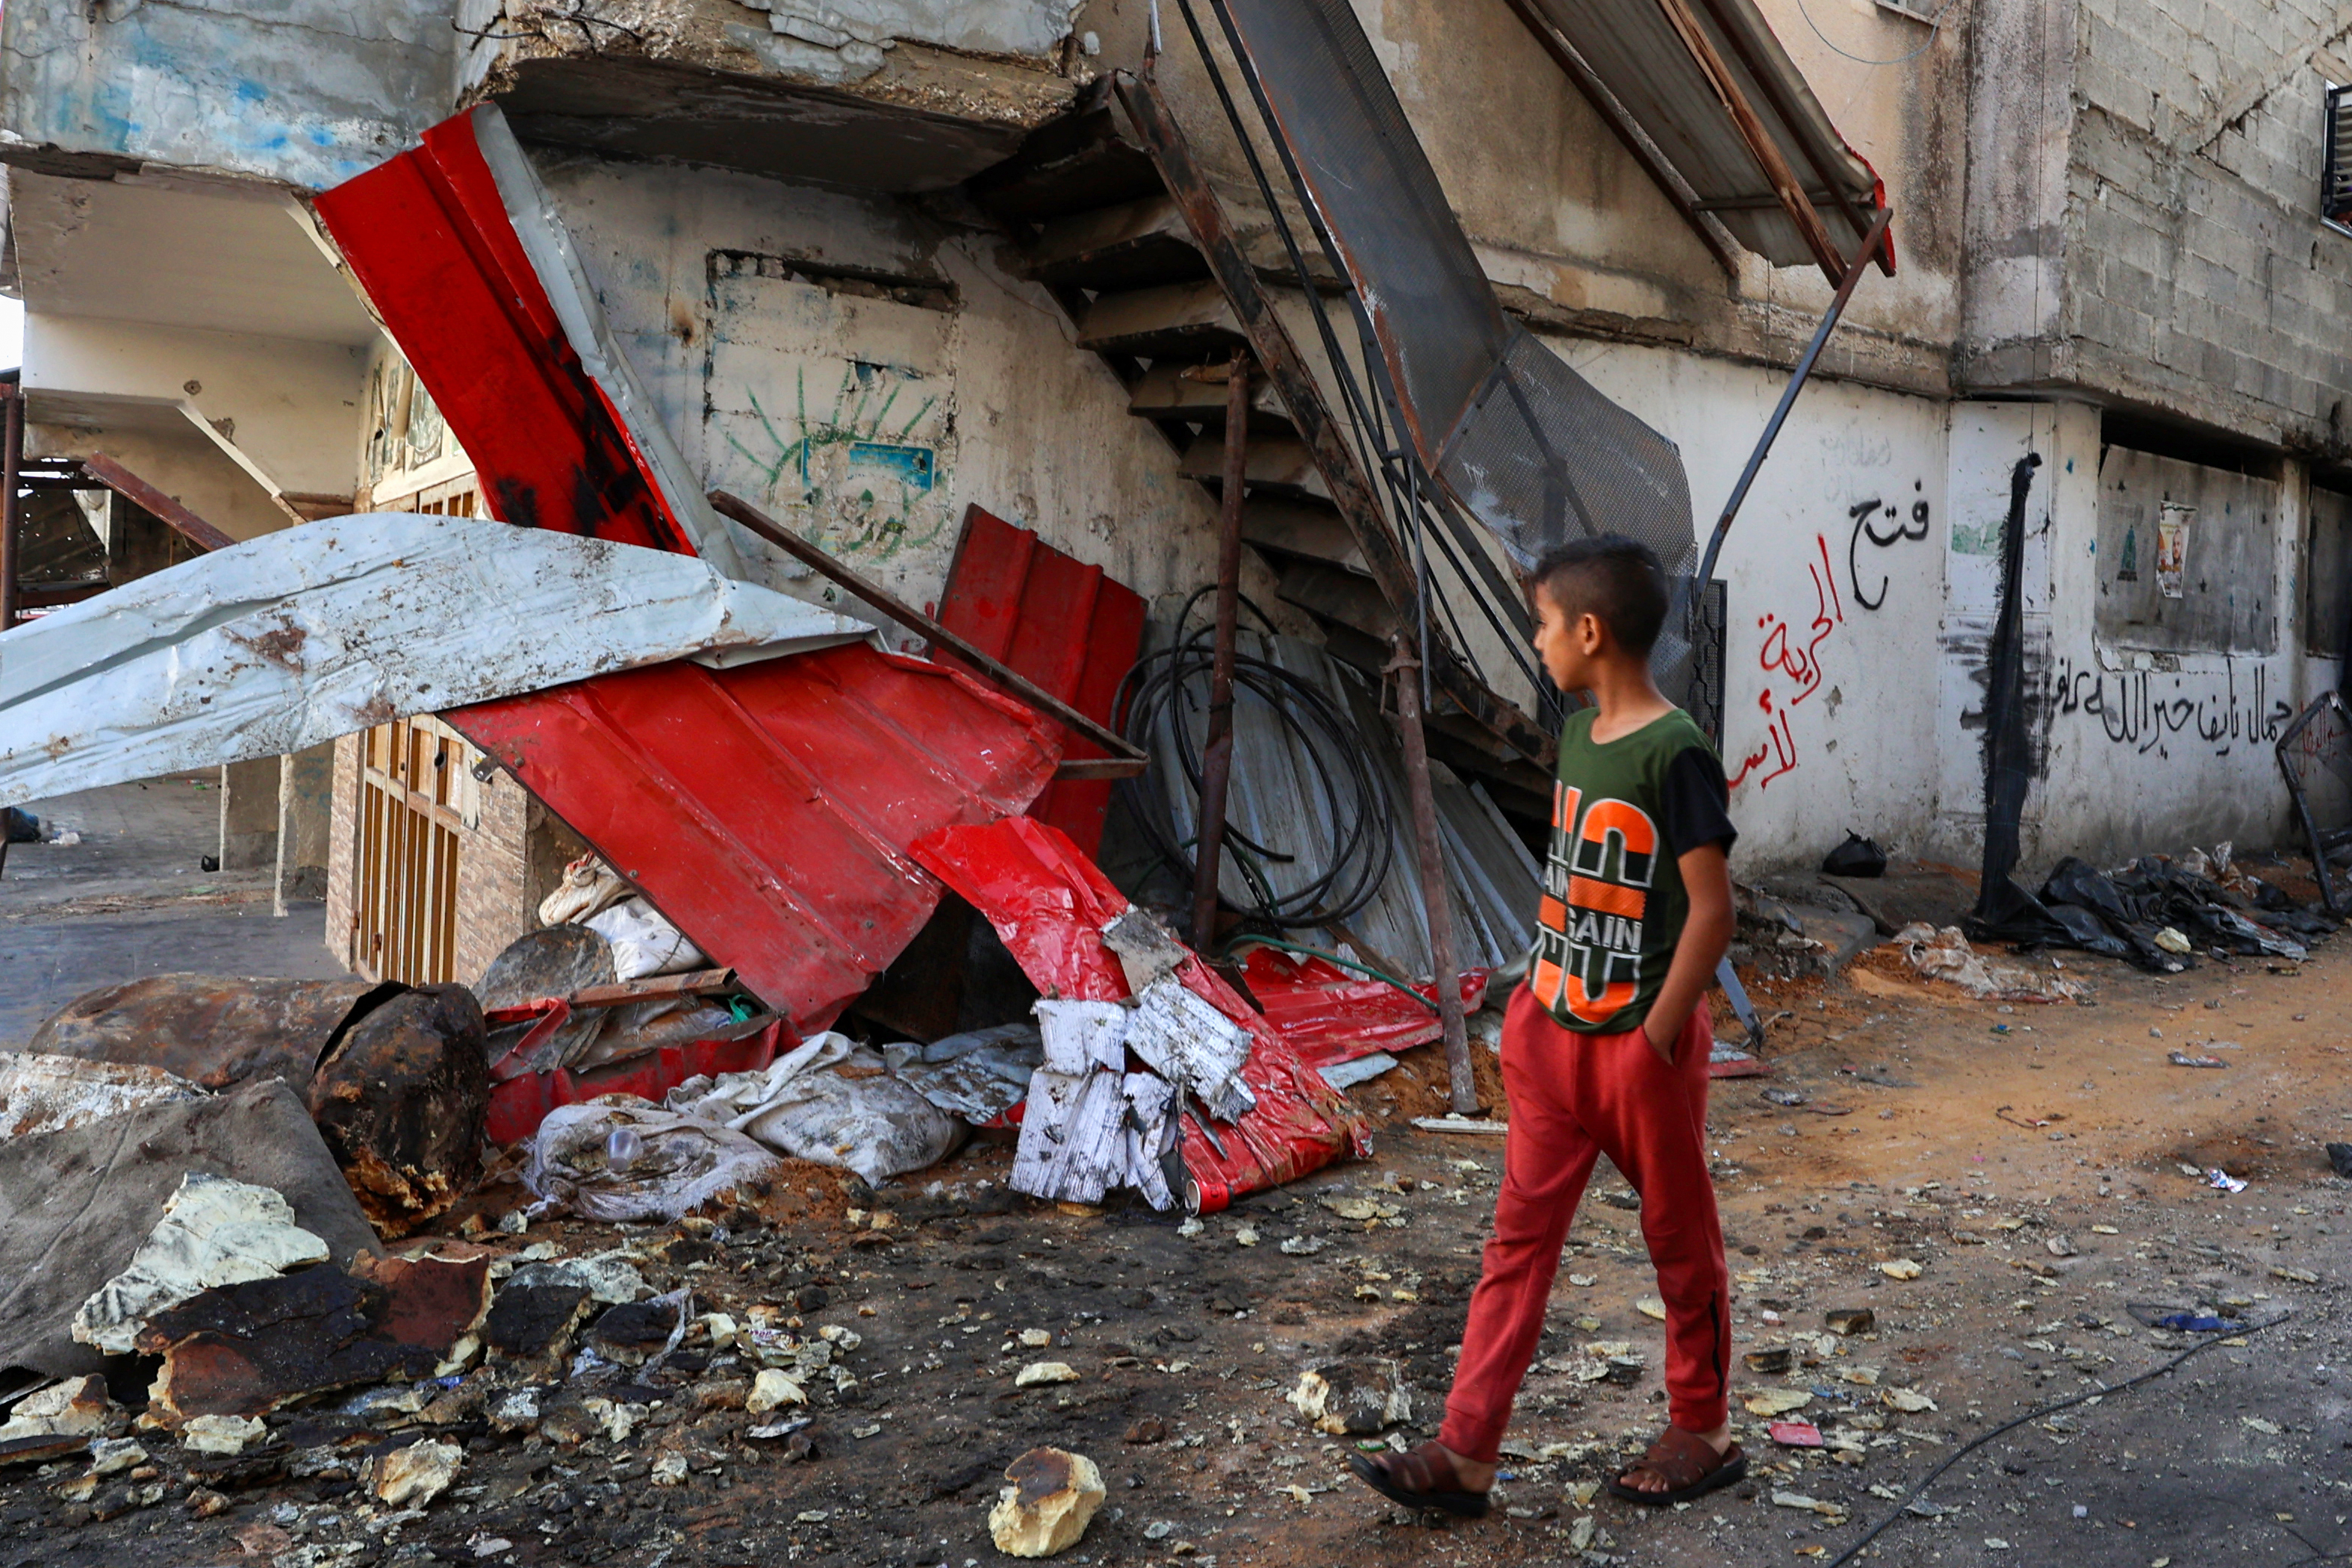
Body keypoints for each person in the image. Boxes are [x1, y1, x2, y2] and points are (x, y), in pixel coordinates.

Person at [1351, 535, 1742, 1517]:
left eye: (1540, 625)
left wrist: (1654, 1038)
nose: (1535, 644)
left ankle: (1702, 1427)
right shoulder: (1576, 734)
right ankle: (1465, 1455)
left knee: (1677, 1239)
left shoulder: (1675, 753)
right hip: (1550, 1037)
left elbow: (1711, 912)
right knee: (1513, 1246)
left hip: (1634, 1051)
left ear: (1589, 632)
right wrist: (1530, 1013)